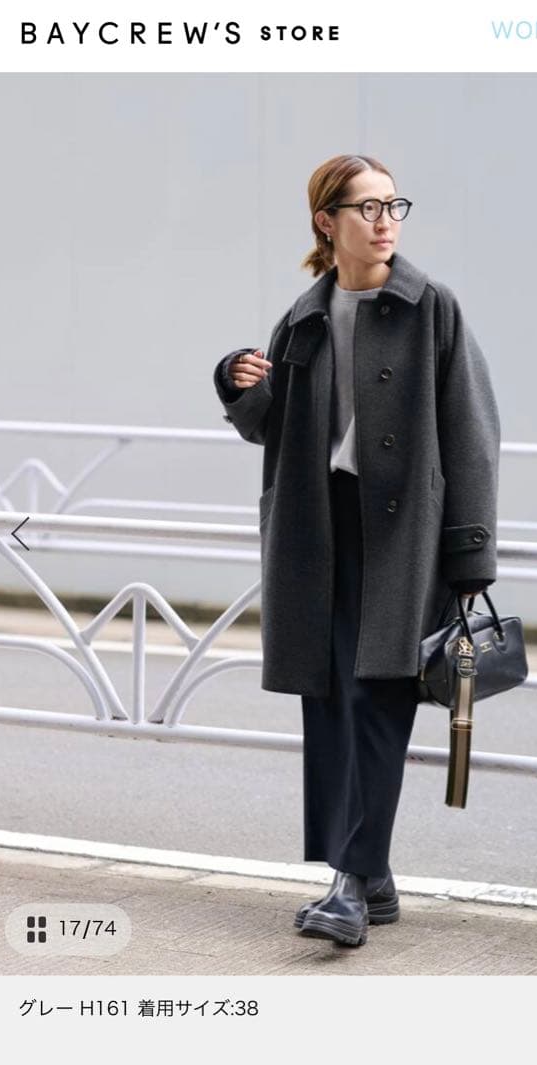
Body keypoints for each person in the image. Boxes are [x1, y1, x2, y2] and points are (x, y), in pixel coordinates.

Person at [213, 154, 500, 947]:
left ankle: (348, 882)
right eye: (367, 207)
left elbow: (473, 434)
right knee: (332, 701)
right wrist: (238, 384)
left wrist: (470, 554)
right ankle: (370, 878)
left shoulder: (430, 307)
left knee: (379, 699)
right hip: (318, 531)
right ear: (326, 221)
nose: (384, 222)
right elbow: (276, 429)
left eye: (393, 206)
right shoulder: (305, 317)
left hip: (404, 537)